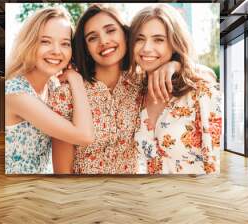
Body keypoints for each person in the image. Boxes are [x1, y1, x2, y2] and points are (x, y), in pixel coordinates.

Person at [47, 4, 181, 174]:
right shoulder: (66, 95)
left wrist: (174, 65)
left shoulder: (142, 85)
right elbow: (62, 172)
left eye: (110, 30)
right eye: (92, 38)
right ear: (86, 48)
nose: (103, 41)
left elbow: (205, 76)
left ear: (125, 35)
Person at [130, 4, 222, 174]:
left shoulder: (200, 93)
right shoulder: (133, 95)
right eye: (139, 38)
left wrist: (180, 65)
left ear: (174, 43)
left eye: (158, 39)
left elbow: (214, 161)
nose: (146, 48)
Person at [5, 6, 94, 174]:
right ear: (29, 43)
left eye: (65, 44)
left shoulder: (52, 87)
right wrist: (75, 79)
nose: (56, 51)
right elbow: (85, 135)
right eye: (45, 41)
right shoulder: (16, 94)